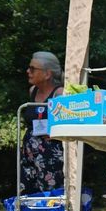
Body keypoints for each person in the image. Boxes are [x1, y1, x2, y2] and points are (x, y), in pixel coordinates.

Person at [20, 51, 65, 194]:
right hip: (29, 152)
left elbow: (70, 124)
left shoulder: (60, 94)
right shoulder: (32, 91)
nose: (28, 71)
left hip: (51, 154)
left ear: (47, 74)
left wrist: (57, 135)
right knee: (29, 192)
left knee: (51, 194)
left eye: (33, 69)